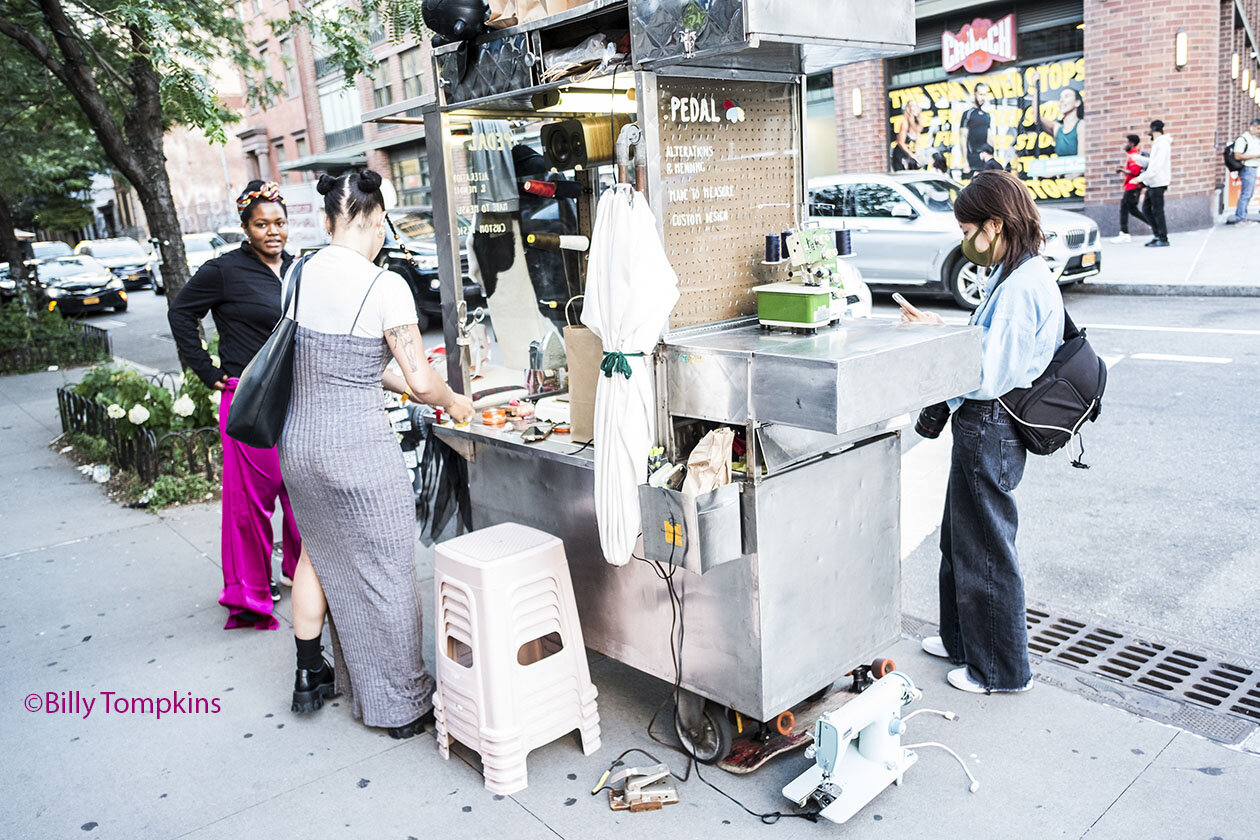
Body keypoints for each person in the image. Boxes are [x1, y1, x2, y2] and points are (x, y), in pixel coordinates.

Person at [278, 169, 474, 738]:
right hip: (358, 453)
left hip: (301, 446)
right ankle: (402, 705)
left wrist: (415, 384)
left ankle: (314, 676)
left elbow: (349, 365)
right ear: (377, 216)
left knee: (319, 558)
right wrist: (455, 401)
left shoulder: (299, 272)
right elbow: (419, 379)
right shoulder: (383, 284)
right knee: (388, 573)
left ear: (327, 217)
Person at [900, 171, 1064, 694]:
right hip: (985, 425)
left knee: (986, 550)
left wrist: (941, 353)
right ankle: (961, 641)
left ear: (995, 226)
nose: (965, 240)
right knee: (959, 539)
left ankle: (1000, 672)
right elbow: (985, 343)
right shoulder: (1015, 274)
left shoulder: (1021, 287)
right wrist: (940, 331)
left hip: (991, 426)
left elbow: (989, 372)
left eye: (969, 228)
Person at [168, 180, 303, 631]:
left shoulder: (300, 269)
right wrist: (206, 371)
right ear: (246, 227)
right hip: (248, 404)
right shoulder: (224, 270)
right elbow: (181, 312)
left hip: (298, 398)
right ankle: (250, 592)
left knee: (303, 496)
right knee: (252, 506)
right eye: (262, 224)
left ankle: (303, 578)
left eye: (279, 223)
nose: (273, 232)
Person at [1134, 119, 1171, 247]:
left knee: (1157, 211)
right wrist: (1138, 159)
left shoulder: (1163, 144)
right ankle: (1157, 235)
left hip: (1158, 182)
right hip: (1153, 182)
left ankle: (1163, 238)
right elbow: (1152, 163)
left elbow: (1156, 166)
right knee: (1147, 209)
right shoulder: (1158, 143)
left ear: (1154, 130)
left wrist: (1139, 178)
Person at [1028, 72, 1083, 156]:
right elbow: (1037, 117)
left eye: (1067, 96)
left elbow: (1081, 159)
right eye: (1060, 97)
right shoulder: (1057, 129)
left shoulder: (1081, 125)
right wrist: (1035, 87)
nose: (1062, 100)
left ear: (1077, 102)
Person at [1110, 134, 1151, 243]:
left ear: (1131, 143)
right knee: (1132, 210)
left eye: (1126, 142)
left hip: (1133, 186)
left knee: (1125, 208)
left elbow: (1135, 172)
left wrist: (1121, 170)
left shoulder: (1134, 155)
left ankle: (1124, 233)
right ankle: (1152, 224)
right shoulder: (1131, 155)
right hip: (1131, 186)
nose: (1124, 145)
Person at [1226, 117, 1260, 226]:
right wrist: (1256, 156)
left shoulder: (1254, 139)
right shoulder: (1243, 139)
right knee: (1246, 194)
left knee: (1249, 194)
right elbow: (1238, 155)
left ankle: (1242, 216)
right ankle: (1240, 218)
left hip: (1253, 167)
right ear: (1252, 127)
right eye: (1258, 128)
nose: (1259, 131)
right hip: (1247, 168)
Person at [959, 83, 993, 174]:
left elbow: (989, 137)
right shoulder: (968, 114)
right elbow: (963, 138)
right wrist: (965, 161)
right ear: (975, 94)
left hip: (985, 161)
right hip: (972, 161)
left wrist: (992, 158)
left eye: (985, 95)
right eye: (980, 94)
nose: (983, 98)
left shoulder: (986, 115)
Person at [893, 99, 925, 171]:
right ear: (909, 109)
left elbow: (916, 142)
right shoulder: (905, 122)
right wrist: (912, 155)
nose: (914, 108)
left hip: (909, 153)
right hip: (901, 154)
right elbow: (900, 142)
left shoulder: (918, 123)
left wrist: (917, 155)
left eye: (915, 106)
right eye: (911, 106)